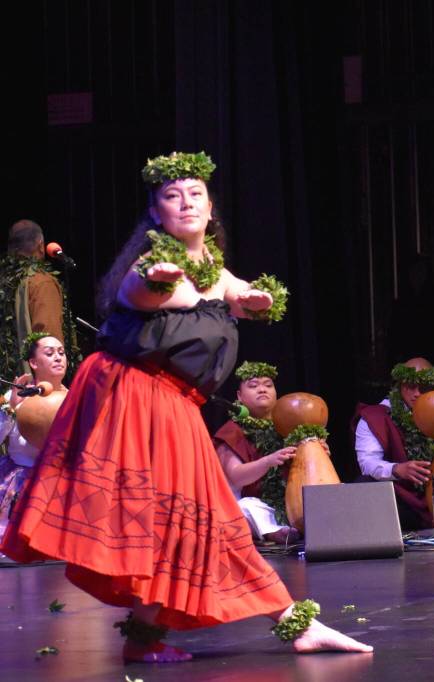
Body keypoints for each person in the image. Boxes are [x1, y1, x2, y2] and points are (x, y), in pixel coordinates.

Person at [0, 152, 371, 661]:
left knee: (184, 519)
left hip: (173, 405)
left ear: (211, 205)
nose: (186, 203)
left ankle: (147, 639)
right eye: (172, 196)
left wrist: (256, 299)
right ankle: (291, 624)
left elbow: (239, 292)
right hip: (134, 398)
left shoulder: (215, 270)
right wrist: (156, 280)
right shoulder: (152, 264)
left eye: (195, 193)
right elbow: (140, 289)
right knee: (187, 514)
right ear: (157, 212)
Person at [352, 357, 434, 529]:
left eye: (424, 387)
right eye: (411, 386)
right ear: (400, 385)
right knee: (364, 484)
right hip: (399, 499)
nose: (417, 393)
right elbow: (367, 464)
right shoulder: (376, 416)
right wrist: (398, 469)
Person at [213, 361, 299, 544]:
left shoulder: (288, 428)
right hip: (252, 506)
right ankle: (274, 532)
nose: (262, 389)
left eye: (268, 385)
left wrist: (317, 451)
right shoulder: (232, 431)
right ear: (239, 396)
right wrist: (268, 461)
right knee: (246, 507)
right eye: (253, 386)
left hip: (289, 504)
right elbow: (236, 477)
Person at [0, 333, 69, 547]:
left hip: (62, 482)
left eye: (61, 352)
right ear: (33, 362)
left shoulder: (76, 397)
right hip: (22, 483)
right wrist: (11, 408)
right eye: (49, 353)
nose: (58, 357)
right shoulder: (16, 397)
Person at [1, 220, 67, 379]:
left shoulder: (4, 280)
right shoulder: (41, 282)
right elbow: (48, 341)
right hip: (31, 389)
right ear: (40, 245)